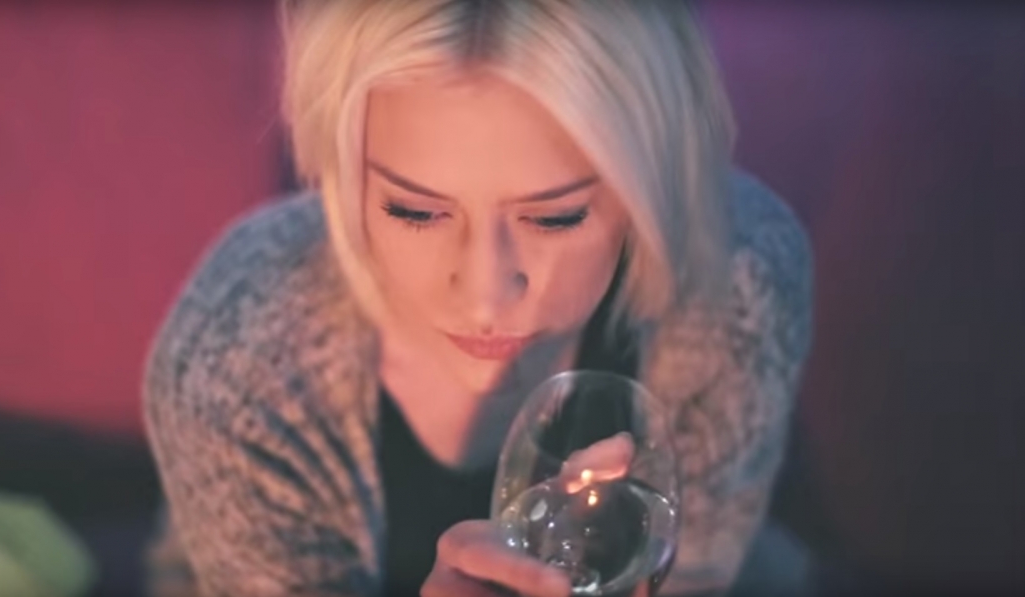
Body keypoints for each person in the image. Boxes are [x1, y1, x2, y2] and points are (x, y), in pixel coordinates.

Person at [142, 1, 812, 596]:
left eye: (554, 217)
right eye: (414, 211)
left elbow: (696, 570)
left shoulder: (738, 283)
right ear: (345, 179)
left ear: (648, 185)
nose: (486, 295)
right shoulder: (240, 356)